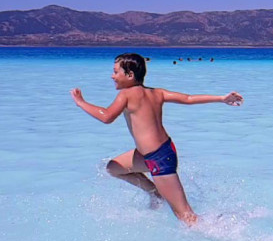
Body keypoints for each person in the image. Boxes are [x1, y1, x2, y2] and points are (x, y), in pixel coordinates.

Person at [71, 53, 244, 225]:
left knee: (185, 217)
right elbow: (188, 98)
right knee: (113, 168)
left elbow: (107, 117)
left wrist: (81, 102)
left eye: (116, 72)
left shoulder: (126, 94)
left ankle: (223, 230)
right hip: (154, 154)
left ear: (130, 75)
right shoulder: (157, 93)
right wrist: (221, 98)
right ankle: (154, 192)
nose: (112, 76)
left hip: (159, 159)